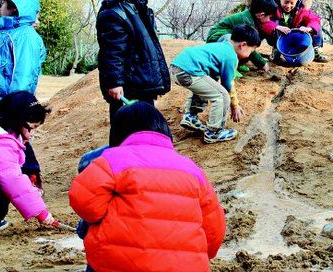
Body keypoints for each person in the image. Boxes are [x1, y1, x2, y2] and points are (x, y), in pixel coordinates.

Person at [69, 101, 226, 272]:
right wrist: (201, 254)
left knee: (86, 225)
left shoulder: (112, 159)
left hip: (120, 264)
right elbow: (214, 229)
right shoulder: (193, 170)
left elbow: (83, 202)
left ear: (117, 133)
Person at [0, 0, 46, 194]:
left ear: (14, 7)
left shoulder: (25, 36)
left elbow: (24, 72)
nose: (0, 8)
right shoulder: (5, 32)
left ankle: (31, 180)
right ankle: (15, 180)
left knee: (18, 139)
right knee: (8, 140)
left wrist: (20, 105)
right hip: (3, 98)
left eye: (3, 3)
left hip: (15, 100)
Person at [96, 0, 171, 122]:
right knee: (124, 131)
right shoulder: (114, 14)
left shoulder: (142, 10)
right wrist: (115, 82)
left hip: (143, 85)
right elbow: (112, 52)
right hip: (126, 88)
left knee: (146, 130)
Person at [170, 24, 260, 143]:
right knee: (222, 96)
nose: (249, 55)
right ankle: (214, 132)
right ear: (243, 45)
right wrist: (235, 105)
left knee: (208, 83)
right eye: (251, 50)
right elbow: (227, 85)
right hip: (188, 72)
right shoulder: (231, 55)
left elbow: (213, 79)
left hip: (176, 68)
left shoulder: (220, 46)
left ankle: (191, 116)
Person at [0, 91, 55, 232]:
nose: (32, 134)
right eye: (31, 128)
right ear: (18, 120)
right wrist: (40, 213)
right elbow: (12, 180)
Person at [207, 0, 278, 76]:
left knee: (246, 46)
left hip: (228, 38)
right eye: (269, 17)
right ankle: (231, 68)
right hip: (217, 40)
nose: (269, 20)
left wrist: (259, 59)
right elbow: (247, 45)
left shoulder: (253, 19)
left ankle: (238, 64)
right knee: (238, 42)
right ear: (261, 15)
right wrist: (261, 62)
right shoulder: (245, 21)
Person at [262, 0, 330, 63]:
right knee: (274, 22)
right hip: (279, 35)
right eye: (286, 2)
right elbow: (262, 21)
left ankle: (316, 50)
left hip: (296, 34)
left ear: (297, 0)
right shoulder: (270, 6)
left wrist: (308, 28)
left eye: (292, 3)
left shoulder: (301, 9)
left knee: (316, 24)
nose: (288, 6)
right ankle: (276, 50)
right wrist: (277, 27)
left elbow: (314, 19)